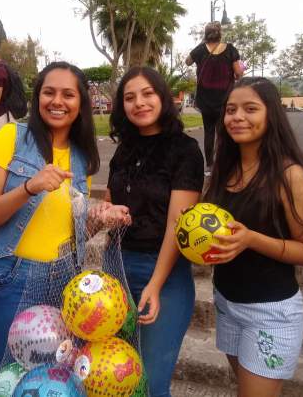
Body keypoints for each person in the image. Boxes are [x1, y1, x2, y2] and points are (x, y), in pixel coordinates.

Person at [0, 61, 132, 370]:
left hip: (65, 280)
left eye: (68, 94)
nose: (58, 101)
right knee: (12, 376)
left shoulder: (81, 156)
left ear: (81, 103)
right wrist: (29, 187)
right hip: (11, 279)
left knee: (55, 377)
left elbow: (74, 234)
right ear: (38, 98)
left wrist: (101, 218)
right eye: (49, 93)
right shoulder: (11, 137)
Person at [202, 77, 303, 397]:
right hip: (227, 303)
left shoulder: (290, 175)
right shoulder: (224, 170)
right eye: (231, 110)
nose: (238, 117)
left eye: (250, 109)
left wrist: (251, 239)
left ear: (271, 114)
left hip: (270, 313)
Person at [105, 67, 204, 397]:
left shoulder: (185, 150)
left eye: (147, 93)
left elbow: (179, 225)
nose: (139, 103)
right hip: (115, 265)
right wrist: (105, 215)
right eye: (130, 97)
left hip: (163, 271)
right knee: (115, 375)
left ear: (163, 96)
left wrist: (155, 285)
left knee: (149, 382)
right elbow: (110, 204)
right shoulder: (123, 151)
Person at [186, 22, 244, 176]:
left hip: (205, 99)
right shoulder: (230, 49)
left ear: (206, 35)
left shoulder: (200, 50)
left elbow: (187, 62)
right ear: (220, 34)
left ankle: (209, 166)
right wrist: (240, 68)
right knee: (223, 132)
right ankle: (225, 164)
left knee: (209, 132)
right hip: (224, 98)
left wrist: (201, 45)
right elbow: (238, 73)